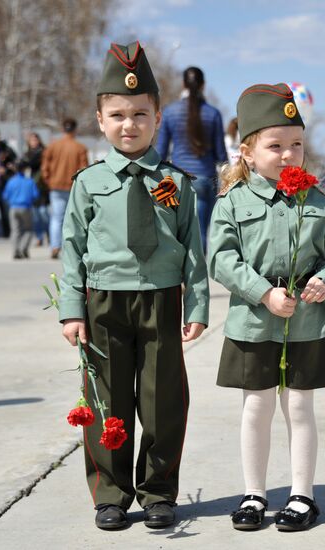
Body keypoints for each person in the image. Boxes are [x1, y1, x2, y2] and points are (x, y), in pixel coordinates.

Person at [59, 41, 209, 531]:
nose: (129, 124)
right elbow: (71, 247)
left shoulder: (177, 183)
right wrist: (71, 309)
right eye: (117, 114)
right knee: (108, 402)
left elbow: (193, 249)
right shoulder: (88, 182)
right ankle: (111, 494)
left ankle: (159, 491)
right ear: (100, 120)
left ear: (158, 116)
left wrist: (198, 305)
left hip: (162, 301)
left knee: (163, 399)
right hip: (103, 304)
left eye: (140, 113)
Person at [208, 83, 325, 532]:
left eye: (297, 144)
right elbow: (221, 257)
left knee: (299, 408)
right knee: (256, 407)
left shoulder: (315, 201)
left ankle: (301, 495)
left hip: (307, 323)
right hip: (254, 321)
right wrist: (262, 292)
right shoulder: (231, 203)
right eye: (276, 145)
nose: (289, 154)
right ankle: (254, 494)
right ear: (248, 153)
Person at [156, 66, 227, 254]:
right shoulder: (213, 114)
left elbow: (160, 152)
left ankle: (176, 277)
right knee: (201, 232)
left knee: (176, 231)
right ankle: (196, 279)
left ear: (183, 84)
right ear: (203, 85)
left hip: (176, 179)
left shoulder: (169, 112)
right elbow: (221, 155)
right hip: (204, 179)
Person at [41, 118, 88, 258]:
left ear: (62, 129)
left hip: (55, 186)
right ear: (75, 129)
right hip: (74, 187)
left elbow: (44, 167)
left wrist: (49, 181)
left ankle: (55, 246)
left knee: (56, 218)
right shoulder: (80, 148)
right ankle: (72, 249)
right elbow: (84, 169)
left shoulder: (53, 146)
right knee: (75, 219)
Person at [2, 159, 39, 259]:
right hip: (26, 207)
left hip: (13, 208)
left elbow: (5, 196)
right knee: (28, 229)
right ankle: (23, 248)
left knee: (15, 231)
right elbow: (35, 195)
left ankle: (15, 250)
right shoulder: (30, 181)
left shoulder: (11, 181)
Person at [22, 133, 49, 245]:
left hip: (42, 186)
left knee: (43, 213)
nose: (34, 142)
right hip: (32, 186)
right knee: (35, 215)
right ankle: (39, 237)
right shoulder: (27, 154)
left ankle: (49, 234)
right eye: (31, 140)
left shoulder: (44, 152)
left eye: (35, 140)